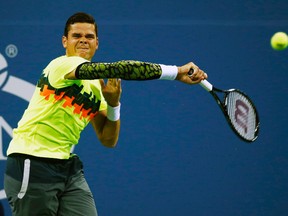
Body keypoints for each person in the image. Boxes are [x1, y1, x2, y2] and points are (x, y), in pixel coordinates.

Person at [4, 12, 207, 216]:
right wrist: (176, 72)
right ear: (65, 42)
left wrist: (113, 104)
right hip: (32, 161)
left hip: (66, 167)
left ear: (97, 43)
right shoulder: (62, 65)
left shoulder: (95, 86)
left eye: (89, 36)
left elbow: (108, 138)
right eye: (76, 36)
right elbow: (121, 69)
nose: (83, 40)